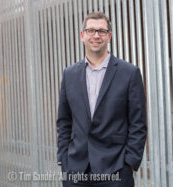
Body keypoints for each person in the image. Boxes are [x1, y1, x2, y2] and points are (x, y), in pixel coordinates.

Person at [56, 11, 147, 187]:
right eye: (90, 30)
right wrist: (64, 162)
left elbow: (138, 123)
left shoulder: (129, 73)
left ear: (109, 36)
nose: (96, 35)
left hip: (115, 171)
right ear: (82, 36)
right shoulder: (69, 75)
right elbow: (64, 121)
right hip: (76, 173)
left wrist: (129, 164)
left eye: (101, 31)